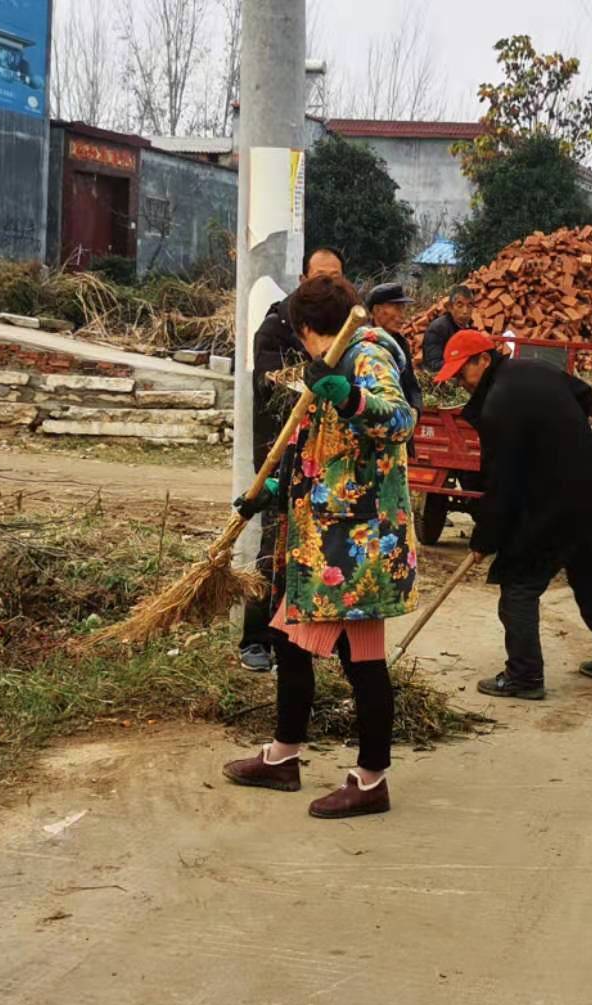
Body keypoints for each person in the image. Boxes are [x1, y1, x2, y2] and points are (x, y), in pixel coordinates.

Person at [223, 275, 419, 818]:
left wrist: (351, 396)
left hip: (358, 547)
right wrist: (278, 492)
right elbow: (323, 449)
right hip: (324, 543)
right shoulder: (332, 360)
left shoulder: (370, 351)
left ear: (309, 327)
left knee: (364, 661)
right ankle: (283, 756)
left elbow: (401, 420)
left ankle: (372, 779)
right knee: (290, 643)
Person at [435, 329, 592, 700]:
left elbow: (502, 486)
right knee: (591, 576)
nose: (462, 384)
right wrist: (563, 433)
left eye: (463, 373)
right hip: (591, 492)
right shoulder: (536, 369)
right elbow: (584, 395)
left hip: (554, 505)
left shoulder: (497, 405)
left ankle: (524, 677)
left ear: (483, 359)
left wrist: (485, 540)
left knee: (519, 587)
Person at [239, 245, 346, 674]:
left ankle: (315, 638)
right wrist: (313, 379)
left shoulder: (347, 324)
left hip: (328, 457)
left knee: (326, 546)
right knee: (276, 543)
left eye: (336, 276)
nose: (329, 284)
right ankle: (257, 638)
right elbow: (273, 386)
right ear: (303, 280)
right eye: (321, 276)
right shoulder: (276, 327)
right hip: (281, 455)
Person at [363, 281, 425, 407]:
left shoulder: (401, 343)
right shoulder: (363, 343)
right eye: (397, 309)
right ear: (377, 310)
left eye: (403, 309)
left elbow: (411, 384)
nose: (402, 316)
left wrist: (416, 410)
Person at [421, 285, 474, 380]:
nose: (465, 311)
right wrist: (465, 363)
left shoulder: (470, 328)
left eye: (469, 305)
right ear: (450, 307)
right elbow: (433, 366)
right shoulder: (437, 329)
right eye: (460, 305)